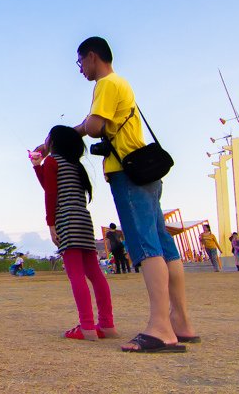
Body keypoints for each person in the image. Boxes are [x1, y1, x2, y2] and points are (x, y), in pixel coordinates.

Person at [68, 36, 196, 353]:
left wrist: (77, 129)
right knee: (166, 248)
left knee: (145, 247)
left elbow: (96, 126)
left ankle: (160, 328)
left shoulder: (107, 84)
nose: (81, 68)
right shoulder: (123, 85)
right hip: (146, 173)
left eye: (80, 61)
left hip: (128, 173)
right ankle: (181, 322)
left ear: (92, 56)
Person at [31, 125, 117, 342]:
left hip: (66, 220)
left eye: (48, 137)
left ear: (55, 141)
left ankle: (87, 326)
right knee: (95, 273)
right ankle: (107, 325)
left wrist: (51, 224)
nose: (45, 140)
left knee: (75, 274)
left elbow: (51, 193)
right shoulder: (75, 165)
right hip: (84, 220)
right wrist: (37, 166)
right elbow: (51, 185)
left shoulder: (53, 161)